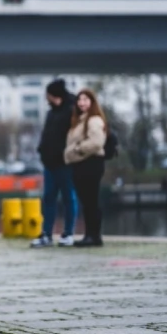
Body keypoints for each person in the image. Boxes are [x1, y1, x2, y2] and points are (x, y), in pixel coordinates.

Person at [31, 79, 78, 248]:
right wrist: (42, 151)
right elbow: (47, 135)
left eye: (48, 94)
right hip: (49, 163)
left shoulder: (71, 111)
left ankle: (68, 233)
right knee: (49, 198)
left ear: (54, 95)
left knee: (68, 197)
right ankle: (46, 234)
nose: (46, 97)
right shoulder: (51, 113)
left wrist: (67, 154)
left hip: (65, 163)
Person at [65, 89, 107, 247]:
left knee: (91, 201)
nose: (81, 103)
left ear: (92, 102)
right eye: (79, 100)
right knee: (87, 201)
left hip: (90, 163)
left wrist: (78, 149)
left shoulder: (93, 120)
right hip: (81, 165)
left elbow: (96, 142)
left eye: (85, 99)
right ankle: (90, 235)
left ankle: (94, 236)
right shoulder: (79, 121)